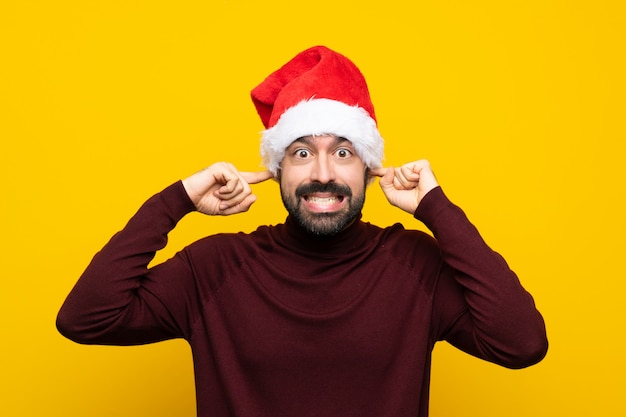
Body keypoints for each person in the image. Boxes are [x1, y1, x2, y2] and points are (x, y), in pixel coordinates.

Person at [57, 45, 548, 417]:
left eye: (342, 152)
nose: (322, 174)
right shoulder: (215, 267)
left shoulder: (413, 263)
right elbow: (86, 319)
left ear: (370, 168)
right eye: (300, 152)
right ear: (276, 170)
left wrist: (436, 209)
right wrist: (176, 201)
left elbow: (521, 343)